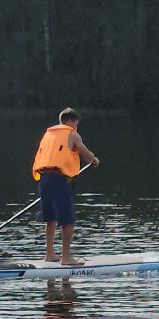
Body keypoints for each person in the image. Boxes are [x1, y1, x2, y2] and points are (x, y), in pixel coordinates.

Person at [30, 107, 101, 265]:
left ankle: (49, 254)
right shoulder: (72, 134)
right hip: (59, 180)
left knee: (51, 217)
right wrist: (94, 160)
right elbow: (85, 152)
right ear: (71, 121)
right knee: (67, 219)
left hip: (44, 179)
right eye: (76, 123)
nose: (77, 126)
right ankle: (66, 257)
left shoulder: (49, 134)